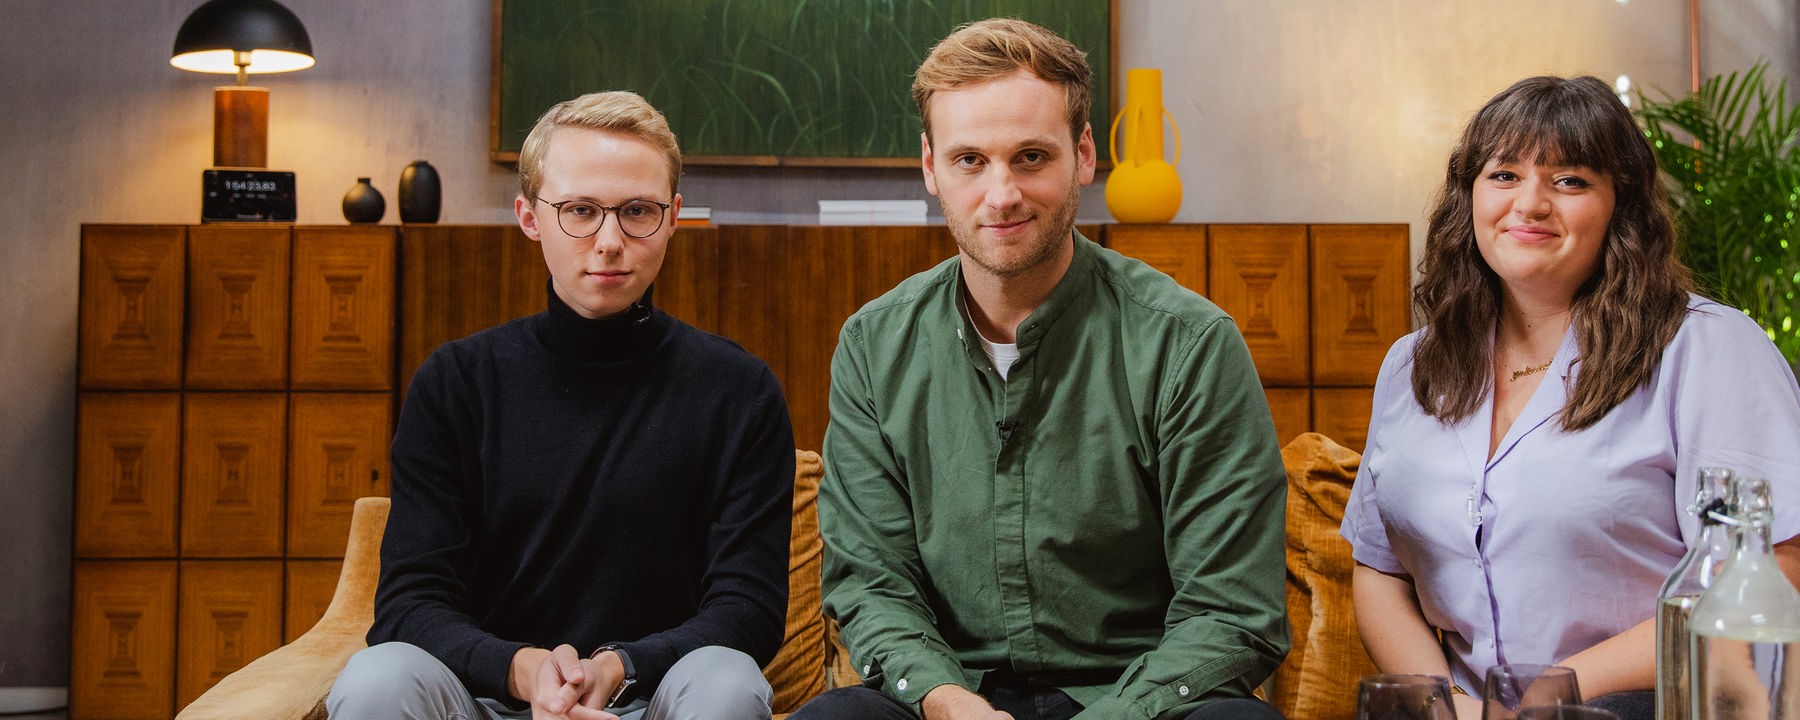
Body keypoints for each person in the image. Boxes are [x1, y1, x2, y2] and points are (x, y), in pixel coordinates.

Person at [791, 18, 1289, 720]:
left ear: (1083, 155)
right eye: (970, 160)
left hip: (1138, 698)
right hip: (952, 696)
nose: (1001, 195)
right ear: (930, 166)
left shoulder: (1189, 344)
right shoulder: (874, 346)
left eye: (1030, 157)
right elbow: (873, 583)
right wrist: (944, 700)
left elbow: (1233, 608)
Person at [326, 91, 796, 720]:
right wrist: (525, 671)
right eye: (579, 210)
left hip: (652, 698)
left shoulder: (738, 389)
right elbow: (410, 603)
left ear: (674, 216)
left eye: (637, 211)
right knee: (377, 677)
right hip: (486, 698)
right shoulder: (456, 383)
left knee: (728, 681)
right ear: (529, 217)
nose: (609, 241)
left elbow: (749, 610)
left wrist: (616, 668)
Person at [1342, 75, 1800, 720]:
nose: (1529, 204)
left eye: (1570, 181)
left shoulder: (1708, 349)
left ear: (1623, 207)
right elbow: (1379, 568)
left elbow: (1775, 565)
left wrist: (1540, 696)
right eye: (1504, 175)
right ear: (1468, 196)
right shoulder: (1412, 364)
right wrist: (1448, 709)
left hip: (1650, 703)